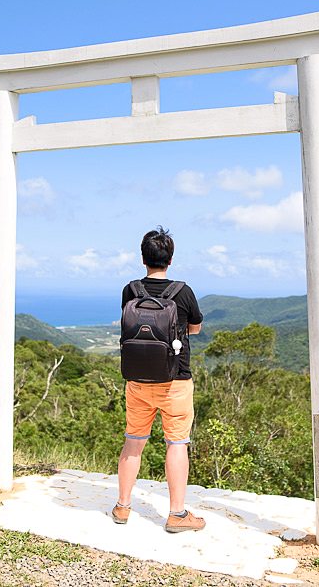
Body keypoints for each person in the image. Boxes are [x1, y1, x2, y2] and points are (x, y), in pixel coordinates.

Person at [111, 226, 205, 533]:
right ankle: (176, 514)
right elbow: (195, 328)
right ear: (171, 258)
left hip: (137, 380)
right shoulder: (183, 292)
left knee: (133, 442)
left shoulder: (131, 290)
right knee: (176, 444)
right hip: (174, 381)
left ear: (143, 258)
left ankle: (123, 507)